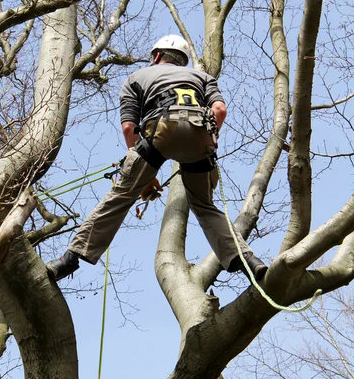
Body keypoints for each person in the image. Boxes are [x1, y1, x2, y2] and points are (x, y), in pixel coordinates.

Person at [46, 34, 267, 282]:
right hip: (201, 134)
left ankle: (70, 259)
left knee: (121, 196)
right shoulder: (203, 77)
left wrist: (145, 176)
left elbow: (129, 128)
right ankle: (249, 260)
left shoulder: (136, 78)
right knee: (205, 207)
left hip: (161, 131)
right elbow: (220, 110)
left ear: (158, 55)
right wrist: (209, 138)